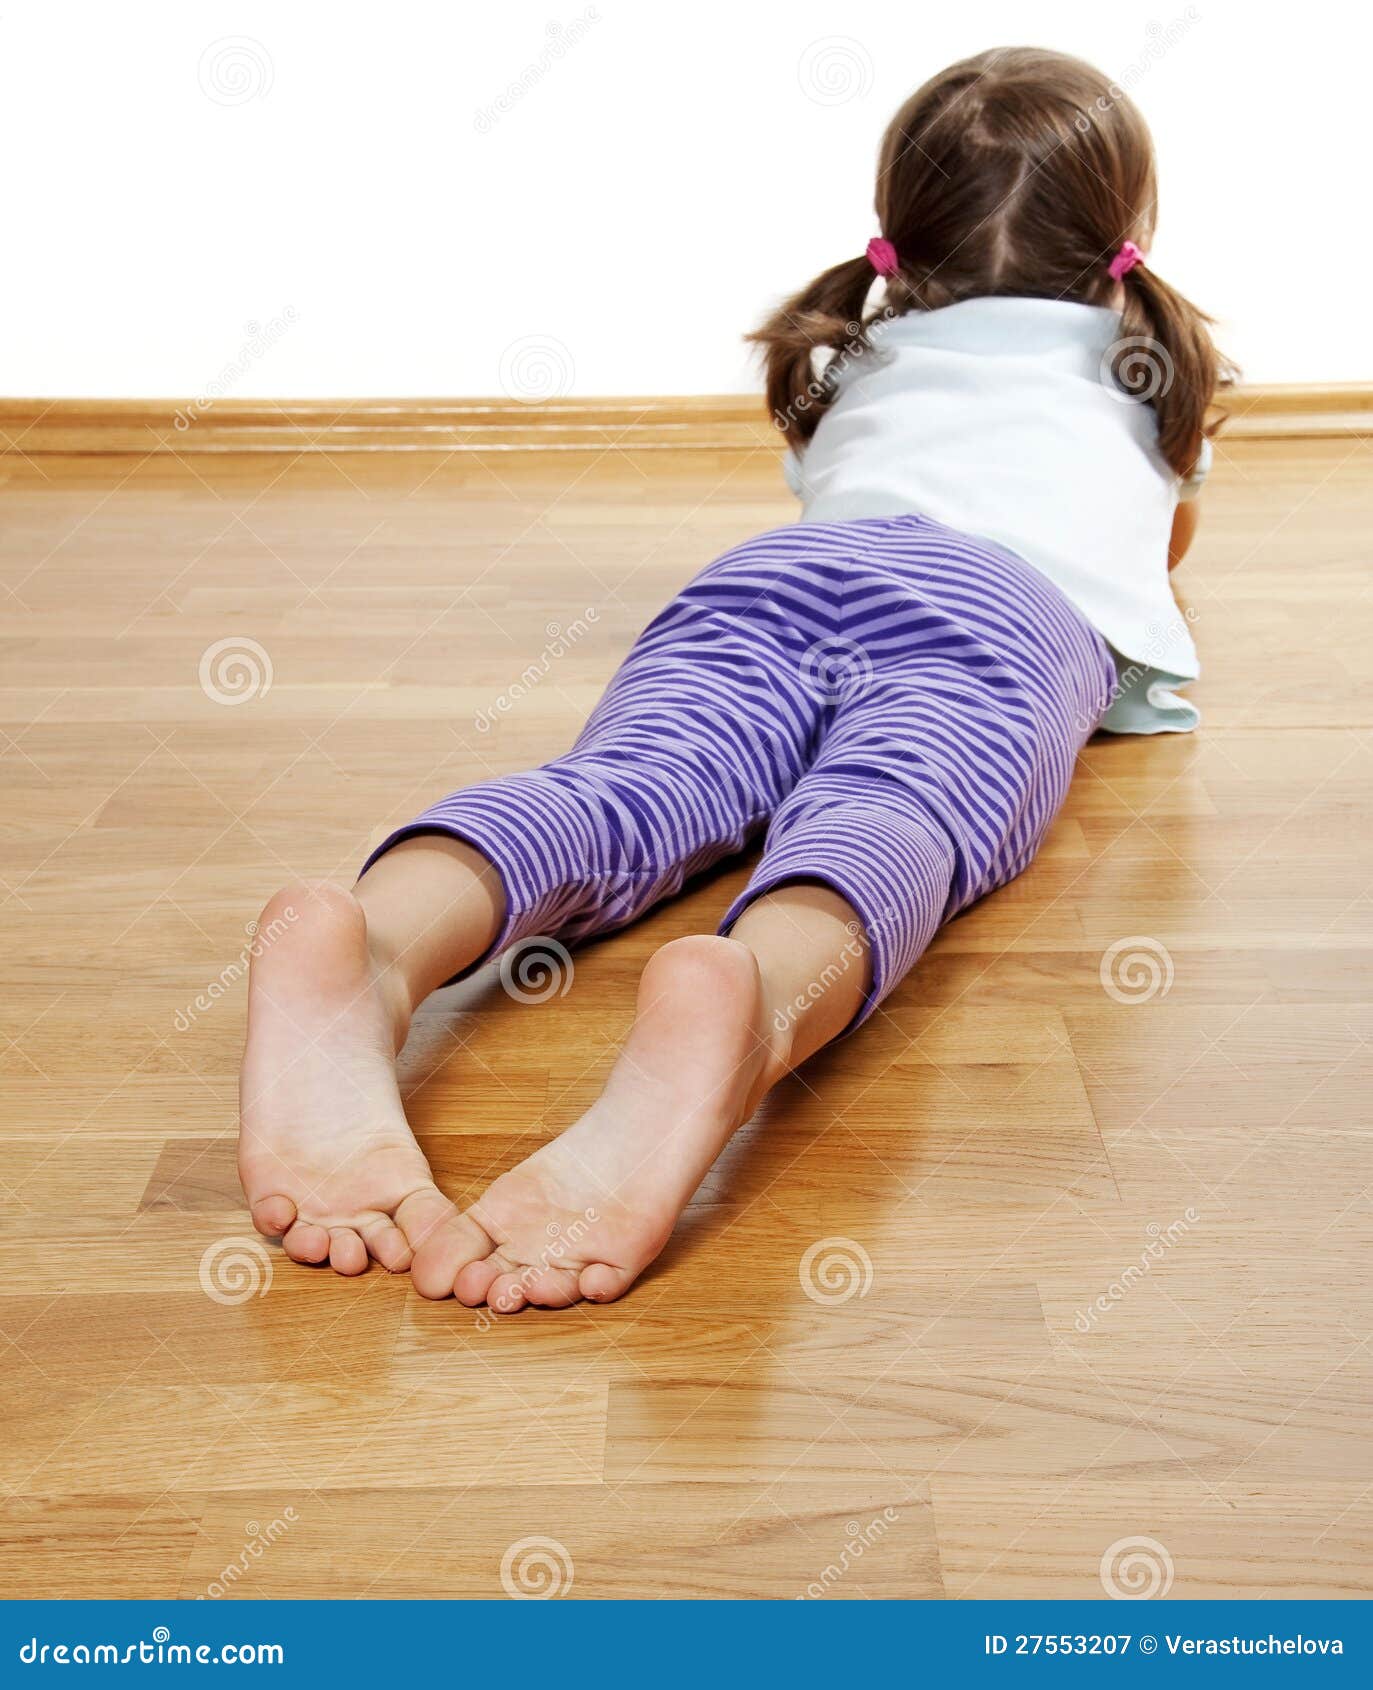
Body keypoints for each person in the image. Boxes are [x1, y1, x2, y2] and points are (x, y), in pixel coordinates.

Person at [238, 46, 1230, 1310]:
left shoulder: (862, 357)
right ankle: (749, 996)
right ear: (1127, 238)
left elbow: (833, 482)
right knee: (888, 816)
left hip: (769, 581)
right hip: (995, 617)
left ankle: (373, 944)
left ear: (893, 239)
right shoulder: (1143, 372)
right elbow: (1164, 542)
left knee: (624, 786)